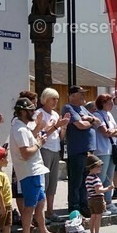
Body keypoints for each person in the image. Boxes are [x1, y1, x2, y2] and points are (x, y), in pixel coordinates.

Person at [10, 97, 59, 233]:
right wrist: (39, 143)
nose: (34, 112)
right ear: (23, 112)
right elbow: (26, 153)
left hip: (35, 170)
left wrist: (38, 139)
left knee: (40, 203)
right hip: (29, 172)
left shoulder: (24, 128)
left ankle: (43, 232)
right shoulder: (20, 129)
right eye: (31, 110)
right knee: (29, 206)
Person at [35, 88, 69, 218]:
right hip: (45, 149)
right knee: (45, 182)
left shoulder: (55, 114)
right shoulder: (39, 113)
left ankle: (50, 211)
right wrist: (56, 126)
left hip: (55, 150)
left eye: (57, 99)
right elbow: (40, 134)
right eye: (53, 98)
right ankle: (40, 213)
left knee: (53, 183)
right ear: (45, 99)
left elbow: (60, 137)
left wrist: (64, 126)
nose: (55, 101)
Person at [62, 86, 96, 215]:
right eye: (80, 93)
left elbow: (96, 120)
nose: (83, 96)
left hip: (87, 150)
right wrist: (90, 122)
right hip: (77, 150)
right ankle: (74, 207)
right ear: (72, 95)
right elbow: (80, 125)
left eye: (83, 94)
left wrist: (90, 120)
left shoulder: (83, 108)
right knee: (75, 182)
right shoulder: (68, 108)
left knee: (85, 181)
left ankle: (83, 205)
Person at [91, 94, 117, 214]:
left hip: (111, 149)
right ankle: (99, 205)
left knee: (109, 178)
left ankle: (108, 202)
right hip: (102, 150)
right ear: (102, 103)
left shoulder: (109, 115)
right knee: (101, 179)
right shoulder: (97, 115)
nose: (112, 104)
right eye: (109, 102)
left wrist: (113, 132)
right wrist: (113, 132)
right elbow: (105, 132)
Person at [84, 155, 110, 233]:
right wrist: (108, 189)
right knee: (98, 217)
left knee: (93, 216)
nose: (100, 169)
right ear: (93, 167)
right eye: (98, 167)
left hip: (91, 199)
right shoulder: (95, 179)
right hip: (97, 199)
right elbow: (98, 190)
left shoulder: (88, 177)